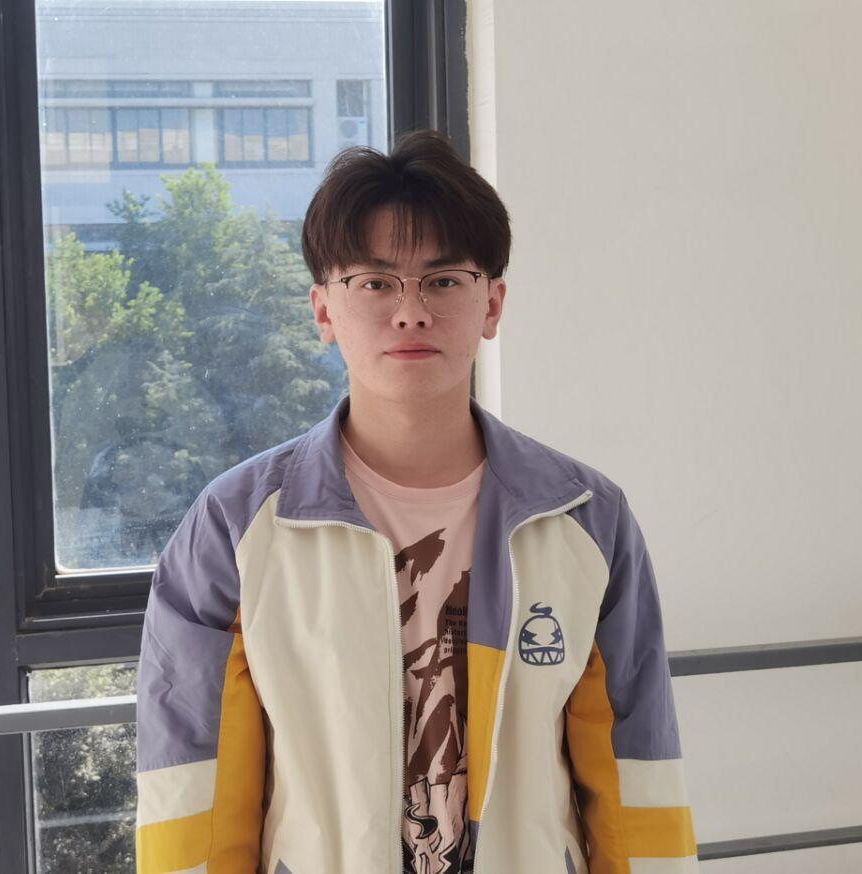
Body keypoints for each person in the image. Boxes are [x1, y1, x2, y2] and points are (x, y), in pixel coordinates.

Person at [133, 129, 696, 874]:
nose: (410, 311)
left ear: (492, 303)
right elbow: (192, 791)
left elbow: (636, 775)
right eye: (374, 283)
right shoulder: (235, 527)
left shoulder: (586, 518)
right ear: (323, 310)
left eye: (443, 281)